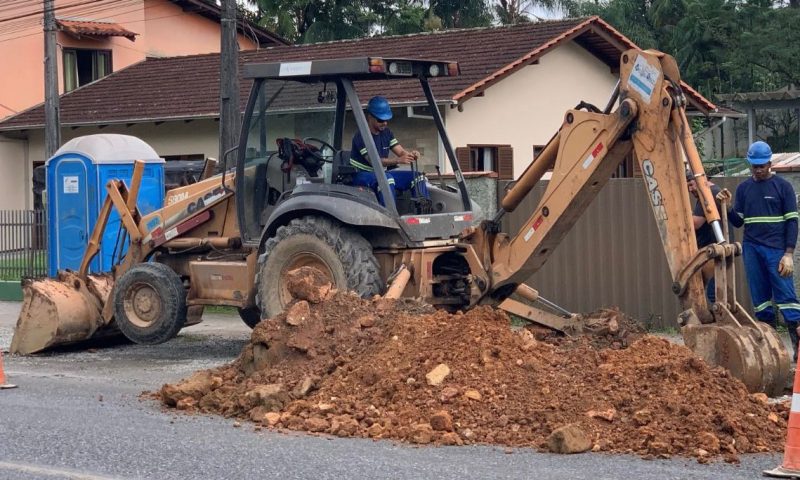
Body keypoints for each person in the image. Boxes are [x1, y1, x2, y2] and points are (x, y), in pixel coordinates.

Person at [726, 140, 800, 361]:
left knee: (787, 298)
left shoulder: (783, 187)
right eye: (754, 166)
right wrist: (728, 207)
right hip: (752, 248)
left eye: (762, 165)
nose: (758, 170)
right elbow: (738, 222)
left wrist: (789, 253)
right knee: (761, 301)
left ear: (770, 163)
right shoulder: (744, 189)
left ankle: (798, 348)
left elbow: (793, 222)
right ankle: (772, 350)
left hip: (777, 250)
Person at [349, 96, 429, 206]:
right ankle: (391, 217)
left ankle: (423, 214)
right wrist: (398, 160)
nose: (385, 123)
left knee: (418, 176)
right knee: (387, 179)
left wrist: (410, 154)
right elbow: (374, 162)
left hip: (381, 174)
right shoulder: (361, 136)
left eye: (387, 119)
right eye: (381, 120)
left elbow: (400, 152)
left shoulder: (387, 133)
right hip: (361, 175)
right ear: (370, 117)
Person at [686, 171, 722, 302]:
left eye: (691, 184)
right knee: (715, 290)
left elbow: (696, 223)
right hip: (712, 249)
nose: (690, 189)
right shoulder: (711, 192)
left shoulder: (707, 194)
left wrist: (684, 213)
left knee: (713, 293)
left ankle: (720, 319)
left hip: (711, 251)